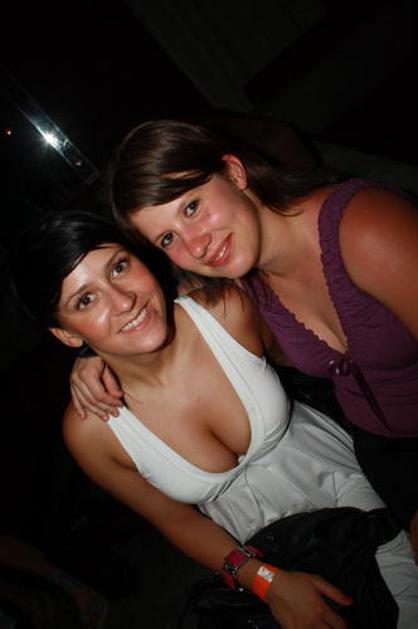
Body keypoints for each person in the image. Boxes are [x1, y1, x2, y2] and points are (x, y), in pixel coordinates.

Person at [10, 211, 418, 628]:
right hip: (255, 547)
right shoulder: (92, 433)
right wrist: (268, 583)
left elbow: (331, 363)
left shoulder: (226, 311)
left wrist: (404, 476)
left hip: (349, 480)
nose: (123, 300)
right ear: (66, 333)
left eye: (118, 267)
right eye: (85, 300)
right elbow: (175, 519)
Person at [70, 118, 418, 558]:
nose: (196, 246)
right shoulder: (239, 279)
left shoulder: (362, 227)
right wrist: (91, 350)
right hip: (382, 457)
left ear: (234, 172)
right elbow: (139, 309)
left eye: (191, 207)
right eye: (168, 238)